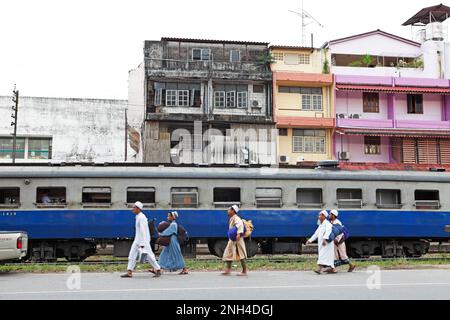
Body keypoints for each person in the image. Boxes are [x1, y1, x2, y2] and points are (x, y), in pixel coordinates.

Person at [121, 201, 162, 278]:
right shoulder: (138, 216)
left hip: (143, 241)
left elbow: (143, 231)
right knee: (132, 255)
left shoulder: (142, 217)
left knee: (150, 256)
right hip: (137, 240)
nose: (132, 209)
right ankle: (129, 271)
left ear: (138, 209)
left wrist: (143, 243)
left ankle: (158, 270)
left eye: (134, 207)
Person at [306, 210, 337, 274]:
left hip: (326, 243)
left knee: (322, 255)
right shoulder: (321, 225)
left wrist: (325, 239)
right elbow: (316, 234)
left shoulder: (327, 223)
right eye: (319, 215)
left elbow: (328, 231)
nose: (319, 217)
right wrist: (310, 240)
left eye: (320, 215)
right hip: (323, 244)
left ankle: (319, 269)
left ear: (324, 216)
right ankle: (333, 269)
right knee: (328, 256)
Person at [222, 205, 248, 276]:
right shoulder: (232, 218)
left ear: (233, 211)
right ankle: (228, 270)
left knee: (241, 254)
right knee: (229, 253)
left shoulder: (236, 218)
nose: (228, 211)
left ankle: (244, 271)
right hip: (232, 239)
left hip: (238, 239)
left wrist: (239, 234)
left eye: (229, 210)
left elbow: (240, 224)